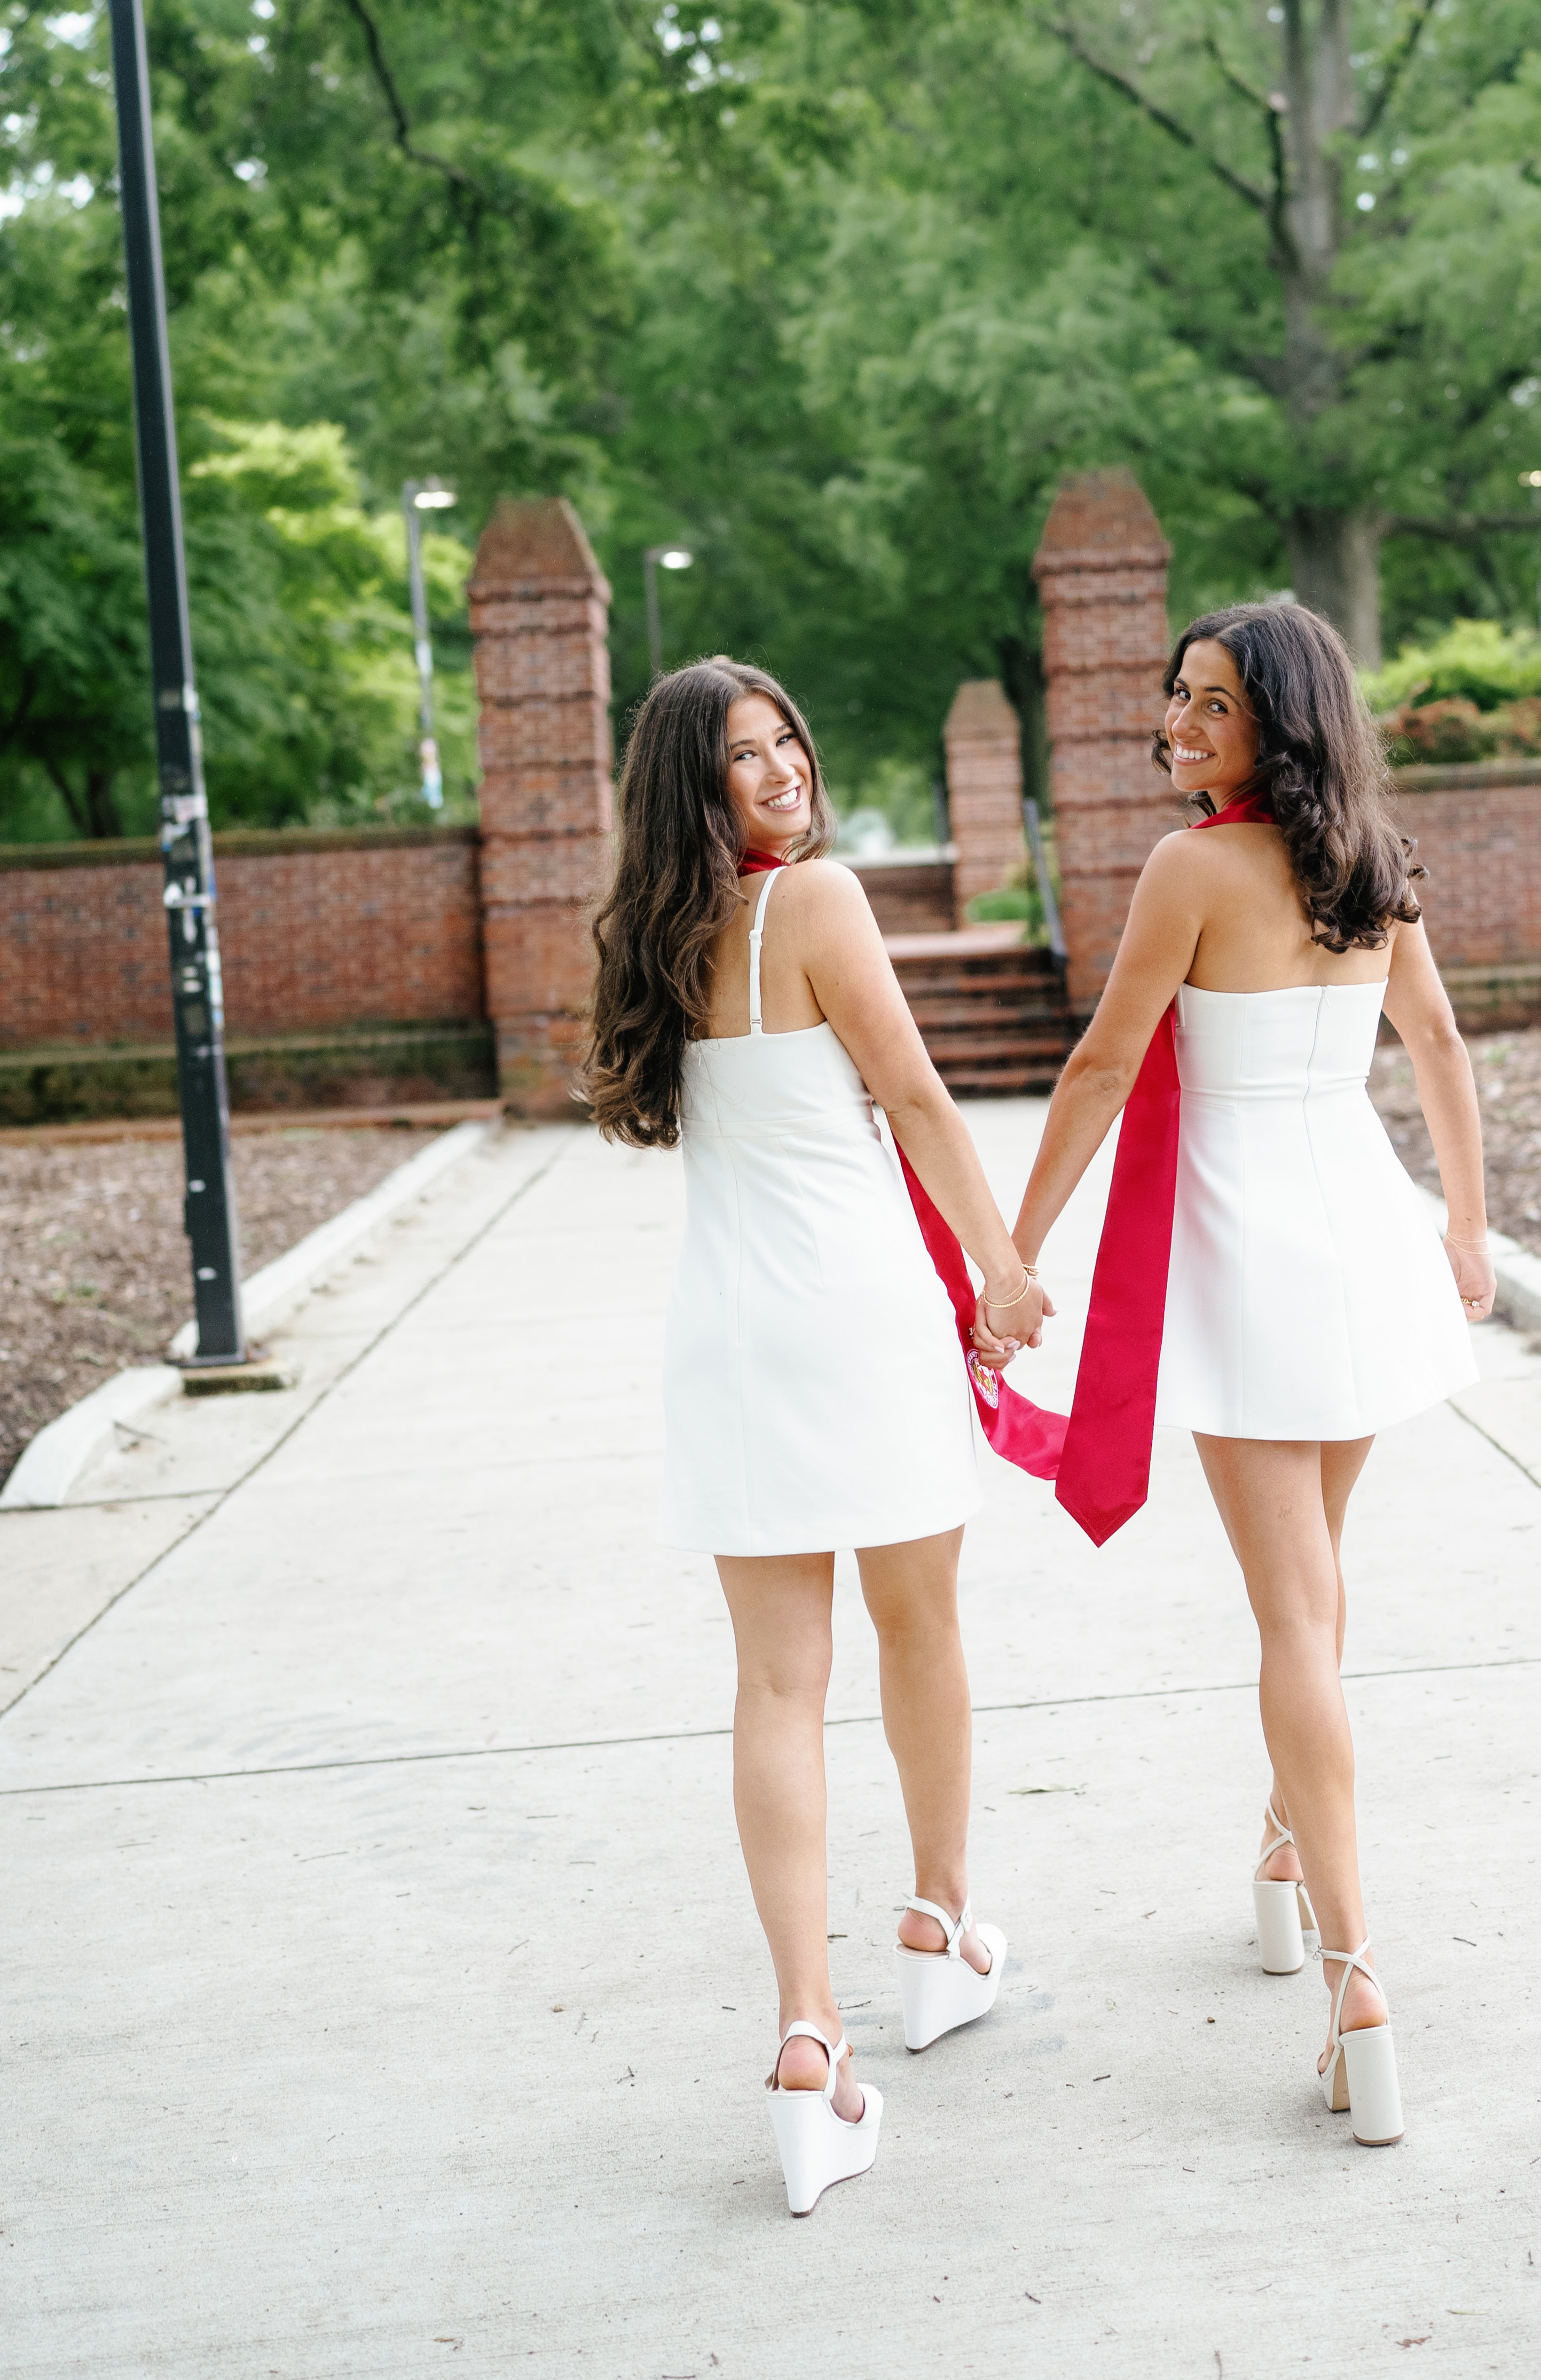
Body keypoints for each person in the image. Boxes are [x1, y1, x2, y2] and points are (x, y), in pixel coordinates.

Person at [981, 601, 1493, 2146]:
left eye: (1212, 703)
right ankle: (1284, 1856)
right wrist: (1464, 1228)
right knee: (1319, 1593)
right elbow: (1440, 1049)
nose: (1180, 722)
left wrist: (1016, 1249)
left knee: (1296, 1620)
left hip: (1258, 1258)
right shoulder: (1368, 861)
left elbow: (1104, 1064)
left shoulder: (1194, 870)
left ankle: (1357, 1981)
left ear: (1282, 716)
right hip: (1364, 1239)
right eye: (1177, 696)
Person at [582, 658, 1051, 2216]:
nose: (781, 768)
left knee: (776, 1683)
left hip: (724, 1337)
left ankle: (808, 2036)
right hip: (854, 1320)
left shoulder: (652, 945)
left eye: (785, 739)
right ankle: (942, 1923)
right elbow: (915, 1099)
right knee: (922, 1630)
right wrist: (998, 1266)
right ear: (691, 788)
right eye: (741, 758)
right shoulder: (821, 905)